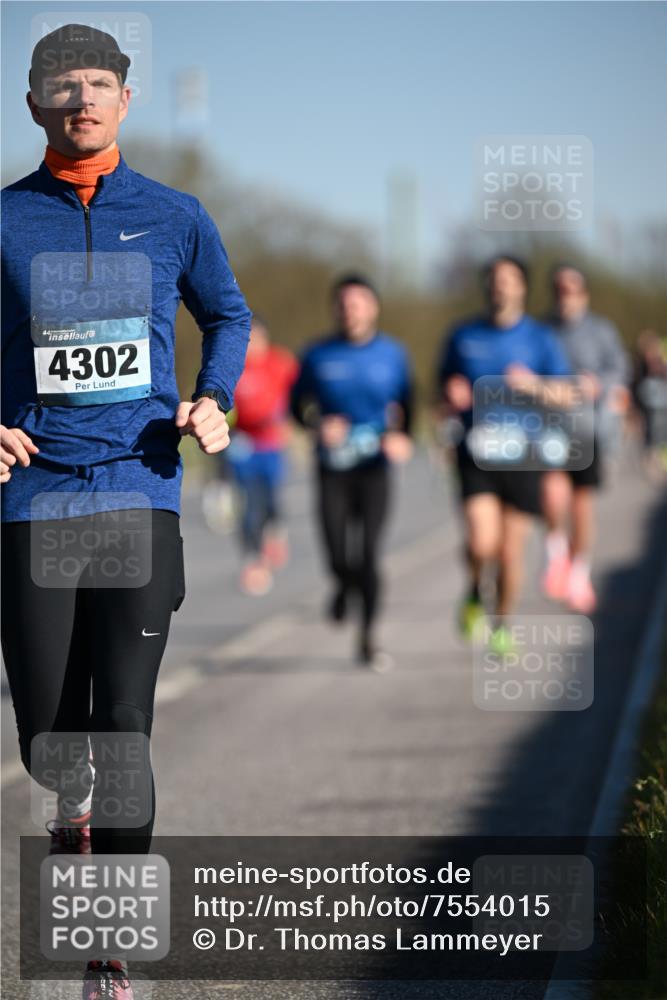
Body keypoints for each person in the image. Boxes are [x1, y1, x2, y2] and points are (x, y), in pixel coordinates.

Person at [0, 24, 250, 998]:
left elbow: (227, 312)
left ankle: (108, 957)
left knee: (125, 726)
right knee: (51, 743)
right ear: (34, 105)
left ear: (125, 100)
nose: (81, 100)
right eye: (62, 88)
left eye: (98, 84)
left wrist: (213, 397)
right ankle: (74, 817)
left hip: (141, 487)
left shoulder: (175, 214)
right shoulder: (8, 220)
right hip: (35, 503)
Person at [438, 255, 573, 654]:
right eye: (494, 280)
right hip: (475, 451)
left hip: (524, 455)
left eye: (509, 280)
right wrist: (451, 394)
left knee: (511, 553)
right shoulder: (463, 335)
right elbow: (443, 389)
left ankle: (502, 624)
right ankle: (475, 590)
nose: (501, 287)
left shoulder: (541, 339)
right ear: (486, 287)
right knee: (482, 543)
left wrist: (533, 386)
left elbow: (567, 395)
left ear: (522, 288)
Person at [291, 274, 413, 669]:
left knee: (369, 554)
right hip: (333, 468)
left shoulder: (393, 354)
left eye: (358, 303)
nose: (350, 310)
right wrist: (316, 426)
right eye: (343, 304)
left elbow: (410, 404)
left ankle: (368, 638)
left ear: (373, 307)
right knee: (336, 552)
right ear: (335, 310)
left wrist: (402, 436)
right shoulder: (317, 354)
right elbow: (296, 406)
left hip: (375, 467)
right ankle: (342, 586)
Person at [541, 265, 630, 613]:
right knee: (551, 492)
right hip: (548, 428)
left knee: (581, 505)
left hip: (587, 428)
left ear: (584, 293)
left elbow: (620, 369)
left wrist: (599, 384)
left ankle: (579, 573)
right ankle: (556, 553)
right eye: (559, 289)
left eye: (572, 289)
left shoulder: (601, 331)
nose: (566, 295)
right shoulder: (543, 330)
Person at [226, 314, 299, 595]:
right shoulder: (234, 365)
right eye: (247, 338)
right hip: (243, 445)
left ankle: (275, 530)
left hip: (271, 444)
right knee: (248, 504)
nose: (251, 344)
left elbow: (297, 396)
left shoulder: (280, 363)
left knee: (270, 498)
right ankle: (253, 559)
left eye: (256, 338)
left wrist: (291, 422)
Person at [633, 328, 667, 480]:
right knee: (650, 431)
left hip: (661, 404)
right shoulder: (640, 366)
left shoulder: (661, 364)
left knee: (660, 430)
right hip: (647, 405)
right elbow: (635, 386)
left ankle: (657, 458)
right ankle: (650, 458)